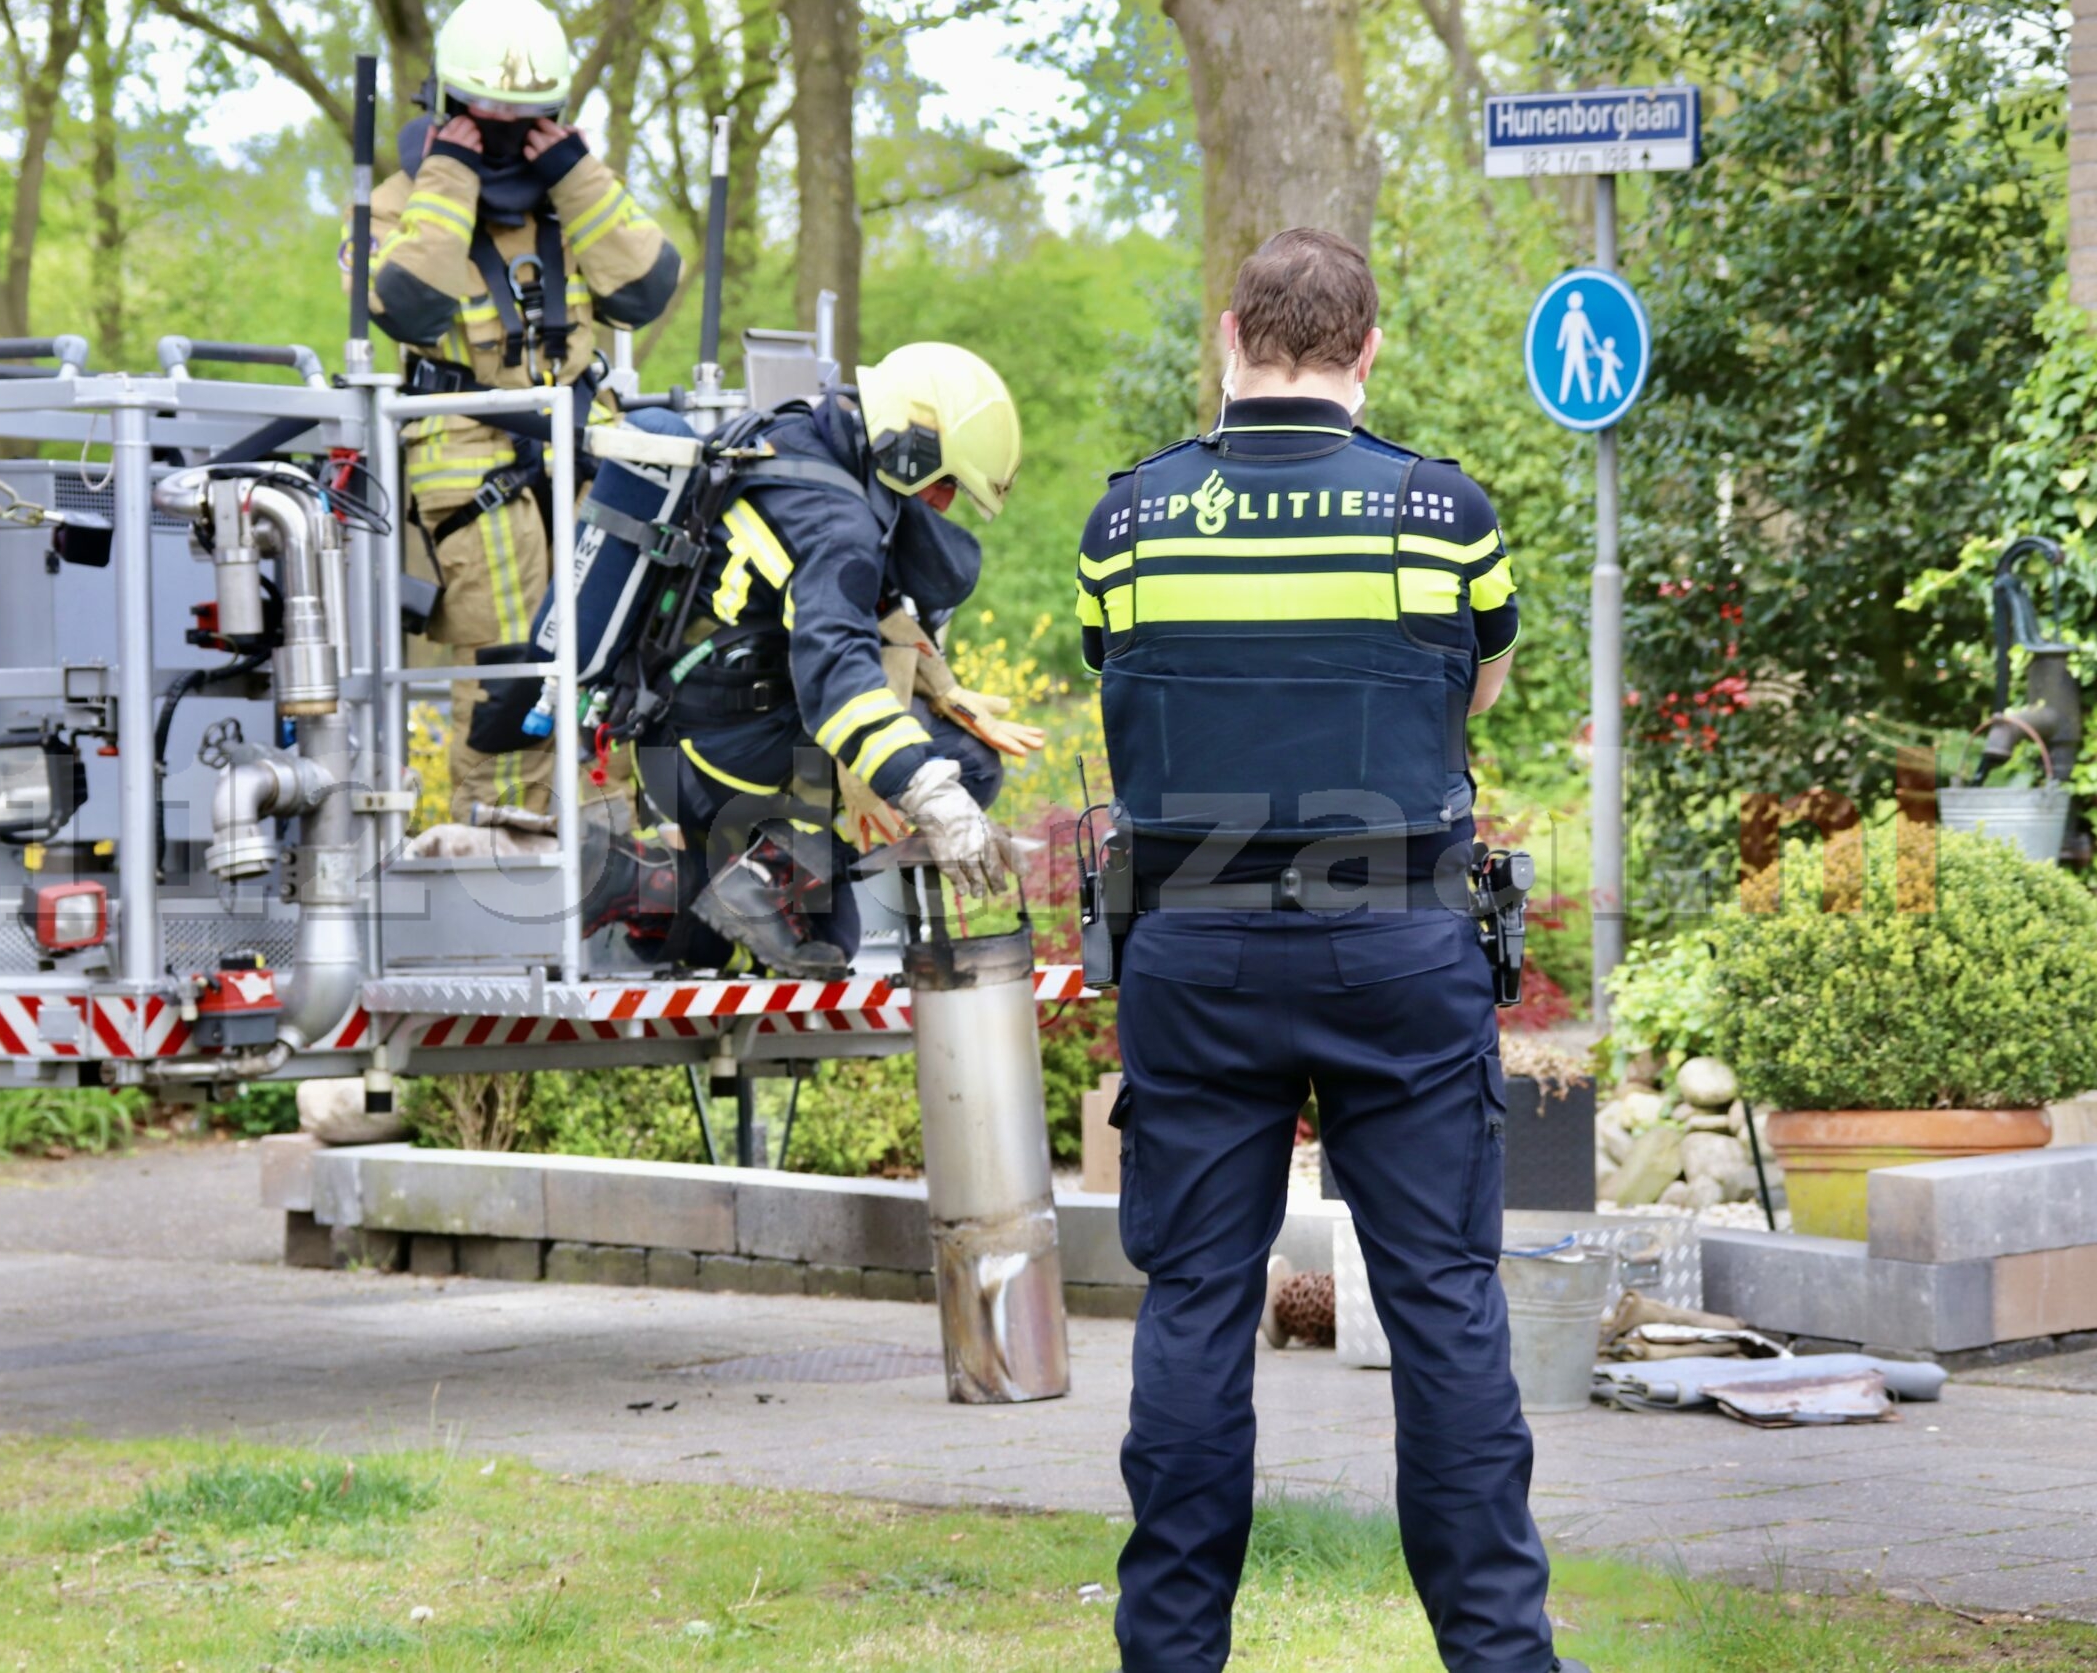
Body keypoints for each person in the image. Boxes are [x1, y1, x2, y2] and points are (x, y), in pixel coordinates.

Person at [1077, 229, 1583, 1673]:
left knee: (1193, 1305)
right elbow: (1473, 684)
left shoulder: (1130, 523)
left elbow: (1123, 687)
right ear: (1368, 351)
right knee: (1442, 1305)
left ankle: (1170, 1657)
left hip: (1195, 950)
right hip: (1398, 949)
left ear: (1230, 333)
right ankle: (1503, 1656)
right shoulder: (1443, 513)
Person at [348, 0, 681, 813]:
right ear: (447, 105)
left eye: (525, 118)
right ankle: (506, 848)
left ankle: (605, 857)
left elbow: (645, 288)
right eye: (484, 118)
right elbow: (406, 304)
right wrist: (452, 175)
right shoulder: (396, 204)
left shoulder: (573, 197)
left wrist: (572, 171)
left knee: (613, 642)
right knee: (509, 666)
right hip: (462, 445)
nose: (502, 136)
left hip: (583, 436)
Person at [587, 344, 1024, 974]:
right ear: (912, 451)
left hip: (680, 744)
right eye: (947, 482)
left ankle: (642, 884)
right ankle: (762, 871)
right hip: (730, 754)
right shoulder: (837, 523)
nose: (947, 506)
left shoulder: (797, 436)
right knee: (968, 765)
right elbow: (840, 684)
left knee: (830, 937)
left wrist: (934, 682)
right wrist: (930, 790)